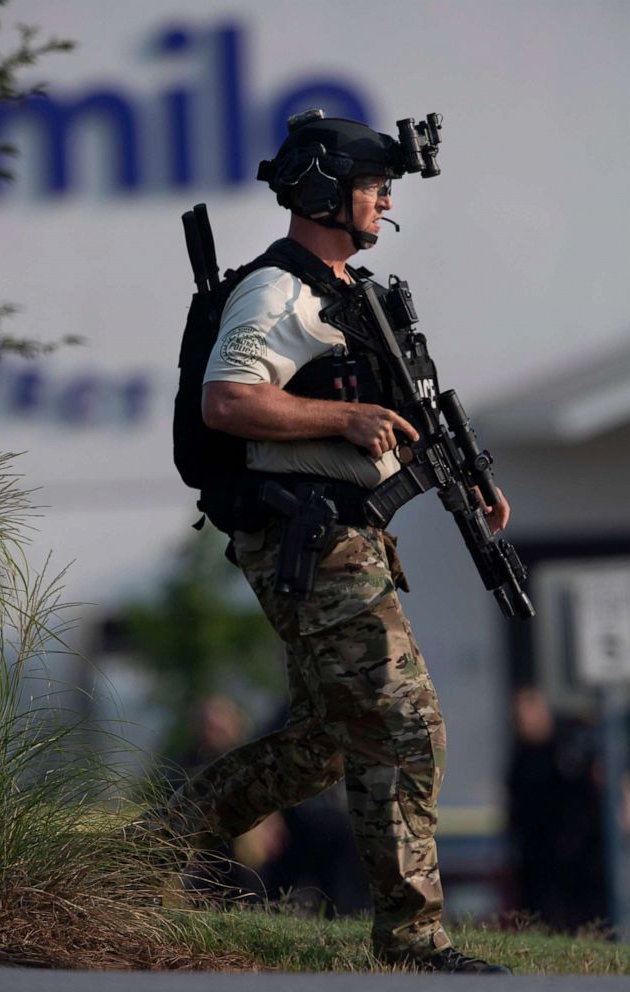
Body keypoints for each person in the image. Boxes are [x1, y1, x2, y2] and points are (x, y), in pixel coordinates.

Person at [167, 110, 511, 973]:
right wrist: (344, 416)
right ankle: (413, 938)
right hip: (304, 538)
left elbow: (400, 413)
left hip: (340, 536)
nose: (386, 200)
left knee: (329, 737)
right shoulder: (276, 290)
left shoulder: (344, 290)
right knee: (407, 725)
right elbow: (229, 401)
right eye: (371, 186)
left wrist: (465, 475)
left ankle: (154, 844)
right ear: (325, 190)